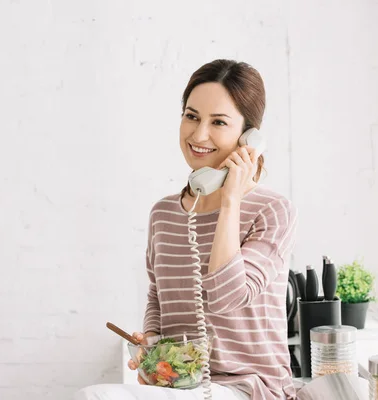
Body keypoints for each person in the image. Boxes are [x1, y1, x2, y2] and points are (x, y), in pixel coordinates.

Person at [74, 59, 298, 400]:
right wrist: (151, 342)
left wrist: (230, 200)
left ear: (248, 138)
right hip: (183, 386)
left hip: (251, 388)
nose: (198, 134)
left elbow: (226, 298)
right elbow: (158, 295)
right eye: (191, 116)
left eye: (219, 122)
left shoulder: (273, 211)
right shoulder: (163, 213)